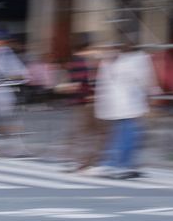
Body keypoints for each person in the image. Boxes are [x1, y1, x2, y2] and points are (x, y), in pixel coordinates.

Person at [94, 37, 159, 179]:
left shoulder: (109, 61)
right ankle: (121, 164)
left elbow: (103, 85)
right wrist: (153, 94)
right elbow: (145, 80)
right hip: (128, 105)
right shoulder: (136, 59)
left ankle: (113, 164)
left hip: (118, 106)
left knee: (120, 135)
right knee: (129, 135)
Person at [57, 35, 103, 172]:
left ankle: (81, 161)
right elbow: (81, 82)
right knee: (91, 133)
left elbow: (75, 83)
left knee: (82, 133)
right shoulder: (85, 61)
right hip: (88, 101)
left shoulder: (76, 61)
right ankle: (86, 162)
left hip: (81, 101)